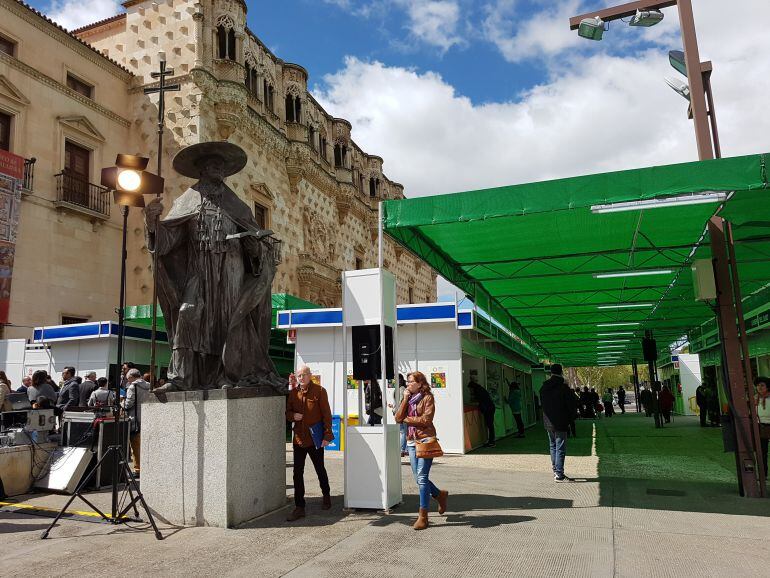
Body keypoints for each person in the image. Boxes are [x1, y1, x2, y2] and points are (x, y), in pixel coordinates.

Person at [145, 142, 281, 393]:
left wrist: (254, 244)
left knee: (225, 322)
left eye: (221, 167)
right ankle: (180, 378)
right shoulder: (186, 201)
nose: (218, 170)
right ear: (201, 171)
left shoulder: (237, 206)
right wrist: (152, 222)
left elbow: (257, 249)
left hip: (231, 271)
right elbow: (167, 243)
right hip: (199, 269)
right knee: (188, 313)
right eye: (212, 166)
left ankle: (224, 374)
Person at [395, 370, 448, 530]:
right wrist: (404, 399)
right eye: (408, 381)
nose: (408, 384)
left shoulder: (427, 397)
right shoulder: (408, 398)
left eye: (411, 381)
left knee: (422, 478)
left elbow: (426, 419)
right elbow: (398, 418)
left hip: (425, 439)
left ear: (420, 383)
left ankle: (423, 516)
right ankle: (439, 495)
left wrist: (406, 419)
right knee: (418, 478)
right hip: (411, 441)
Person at [285, 365, 334, 522]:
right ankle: (300, 507)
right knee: (297, 473)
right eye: (299, 375)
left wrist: (327, 435)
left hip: (315, 439)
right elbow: (287, 413)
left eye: (304, 375)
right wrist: (293, 416)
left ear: (310, 376)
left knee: (320, 468)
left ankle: (326, 495)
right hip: (299, 439)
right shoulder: (293, 393)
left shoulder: (320, 391)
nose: (301, 378)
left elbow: (327, 414)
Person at [540, 364, 576, 482]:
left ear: (550, 372)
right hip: (561, 421)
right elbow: (572, 406)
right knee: (560, 447)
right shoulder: (564, 388)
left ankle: (555, 470)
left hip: (548, 422)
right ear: (561, 372)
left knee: (553, 446)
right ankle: (559, 474)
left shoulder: (544, 388)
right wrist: (571, 419)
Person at [123, 369, 150, 475]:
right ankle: (146, 467)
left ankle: (138, 469)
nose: (128, 381)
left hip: (135, 420)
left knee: (135, 446)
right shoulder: (149, 385)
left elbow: (128, 404)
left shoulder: (132, 387)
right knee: (145, 445)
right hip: (147, 417)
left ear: (131, 377)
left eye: (128, 378)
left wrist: (121, 404)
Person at [468, 377, 496, 447]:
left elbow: (481, 402)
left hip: (488, 409)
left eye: (470, 389)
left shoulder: (478, 391)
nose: (470, 390)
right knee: (490, 425)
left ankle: (491, 442)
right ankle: (491, 441)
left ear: (472, 387)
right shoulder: (480, 389)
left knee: (490, 425)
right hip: (490, 408)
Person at [388, 374, 408, 457]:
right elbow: (397, 401)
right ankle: (403, 449)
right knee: (402, 431)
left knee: (403, 431)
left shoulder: (402, 388)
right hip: (398, 412)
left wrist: (397, 410)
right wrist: (393, 407)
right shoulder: (398, 388)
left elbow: (401, 402)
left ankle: (402, 449)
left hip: (401, 413)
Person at [754, 376, 770, 479]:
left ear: (767, 387)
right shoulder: (754, 399)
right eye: (758, 385)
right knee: (762, 452)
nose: (759, 387)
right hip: (761, 427)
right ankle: (763, 473)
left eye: (762, 385)